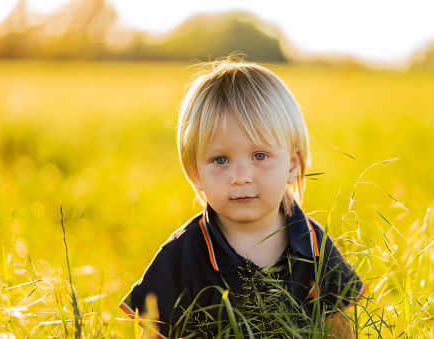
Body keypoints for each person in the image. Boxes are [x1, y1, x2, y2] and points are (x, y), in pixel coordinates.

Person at [120, 59, 366, 338]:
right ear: (195, 173)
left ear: (292, 165)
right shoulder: (181, 257)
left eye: (259, 156)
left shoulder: (314, 245)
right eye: (220, 159)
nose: (241, 176)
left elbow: (340, 330)